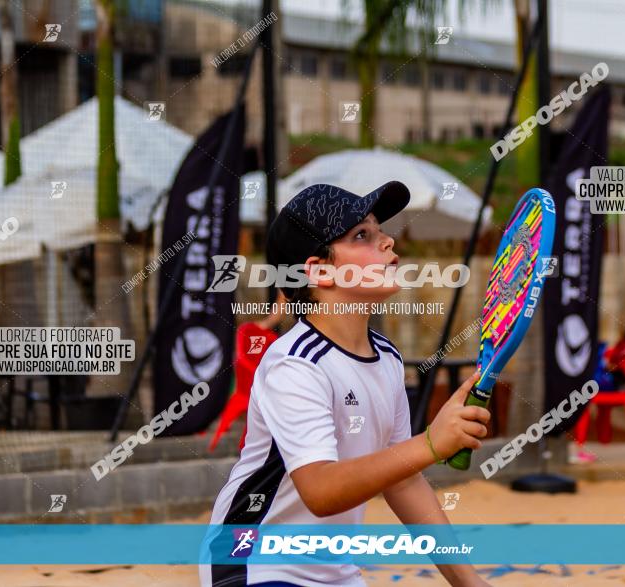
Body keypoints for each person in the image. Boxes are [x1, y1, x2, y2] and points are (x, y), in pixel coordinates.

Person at [200, 183, 490, 587]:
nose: (388, 240)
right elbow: (320, 490)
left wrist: (471, 583)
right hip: (255, 564)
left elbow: (403, 479)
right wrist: (429, 444)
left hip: (335, 574)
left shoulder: (387, 358)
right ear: (319, 270)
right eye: (362, 235)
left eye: (379, 230)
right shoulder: (295, 363)